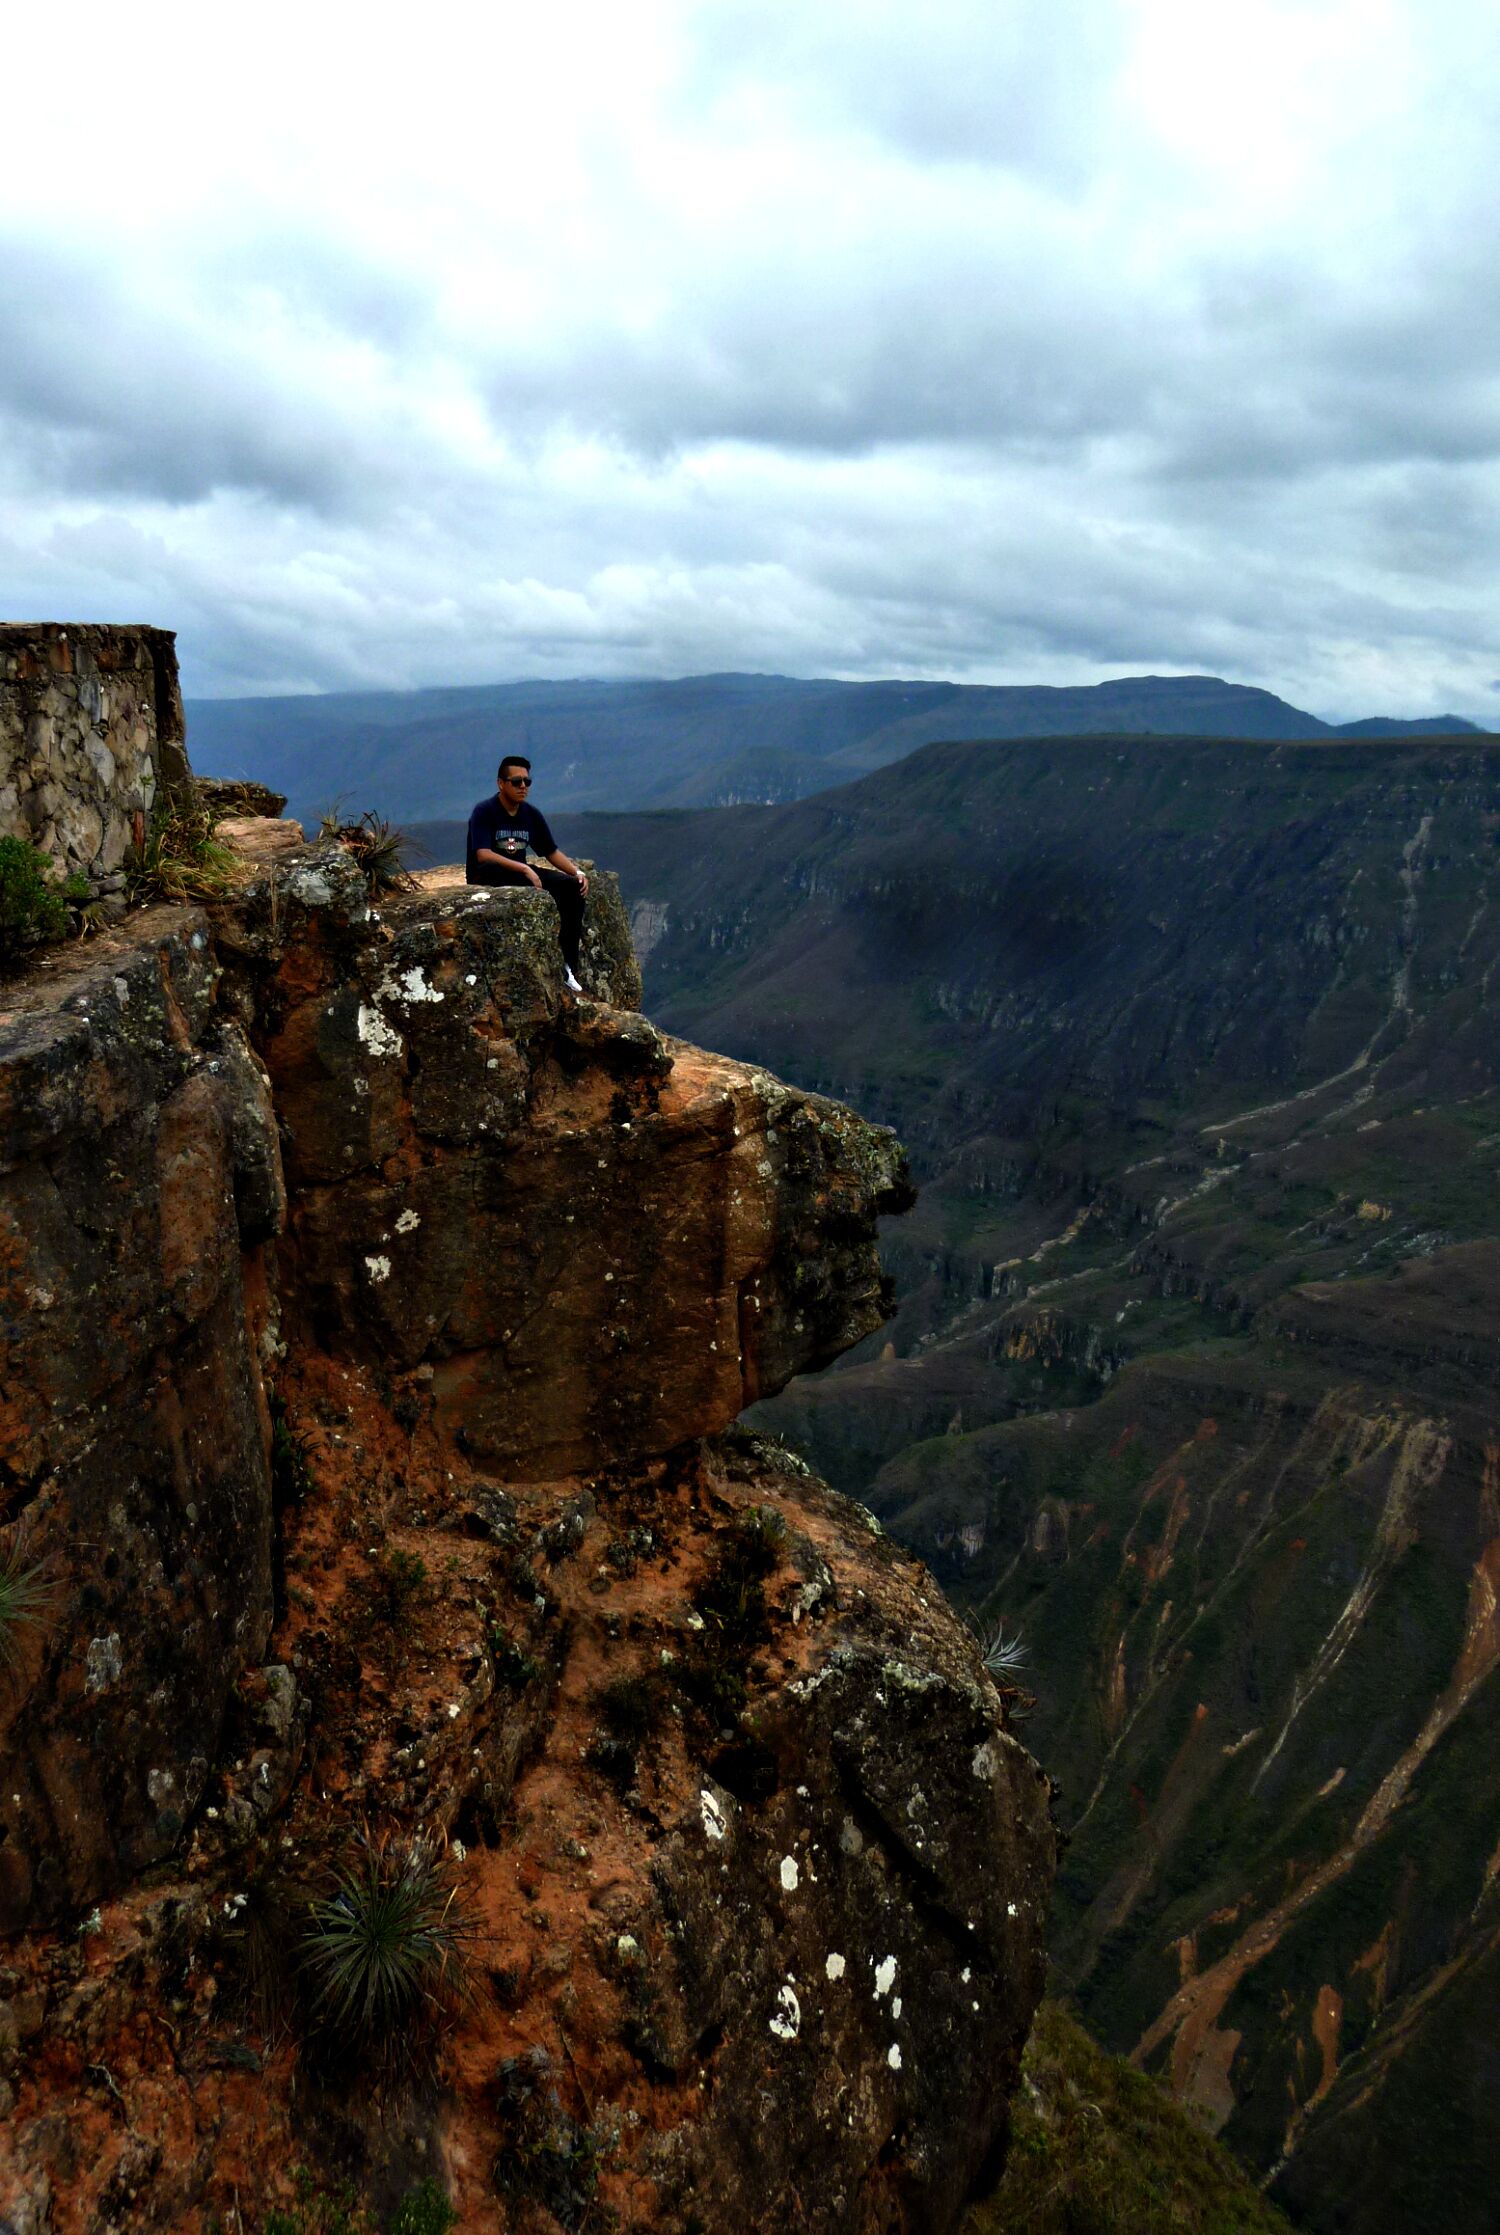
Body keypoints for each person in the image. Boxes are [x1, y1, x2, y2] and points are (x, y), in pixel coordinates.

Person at [465, 756, 590, 992]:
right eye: (516, 781)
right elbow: (482, 854)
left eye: (527, 781)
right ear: (501, 783)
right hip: (488, 875)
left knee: (572, 889)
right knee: (510, 874)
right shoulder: (485, 811)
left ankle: (568, 965)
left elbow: (550, 851)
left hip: (520, 873)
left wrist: (577, 873)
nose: (523, 786)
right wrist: (524, 868)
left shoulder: (530, 814)